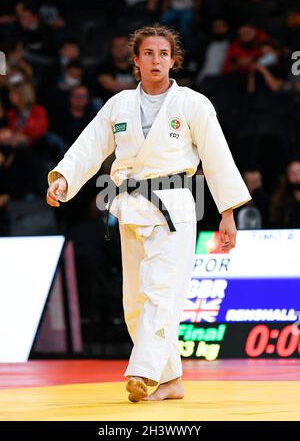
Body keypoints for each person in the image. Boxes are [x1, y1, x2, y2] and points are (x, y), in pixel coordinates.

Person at [46, 24, 251, 403]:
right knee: (136, 302)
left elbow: (217, 157)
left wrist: (227, 213)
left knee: (161, 293)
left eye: (163, 54)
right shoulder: (118, 105)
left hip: (174, 209)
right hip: (131, 210)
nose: (156, 60)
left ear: (173, 61)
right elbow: (89, 147)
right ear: (136, 61)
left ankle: (143, 371)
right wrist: (63, 178)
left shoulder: (192, 103)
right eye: (148, 54)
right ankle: (171, 379)